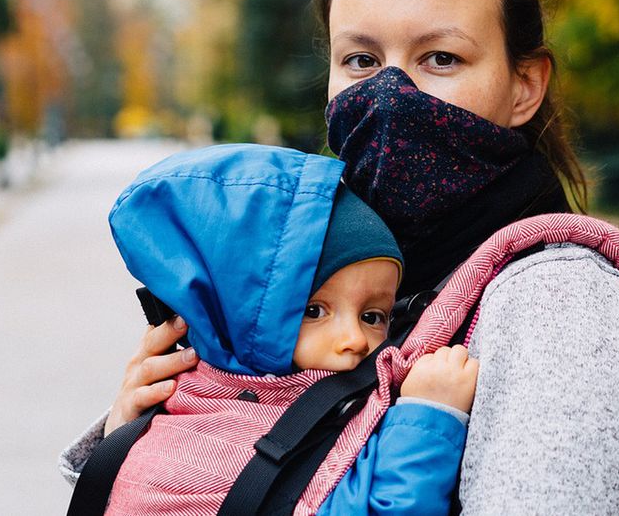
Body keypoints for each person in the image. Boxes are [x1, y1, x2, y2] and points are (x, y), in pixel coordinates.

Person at [63, 0, 619, 514]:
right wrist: (139, 434)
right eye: (361, 60)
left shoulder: (559, 302)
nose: (389, 93)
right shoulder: (316, 251)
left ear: (524, 87)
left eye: (441, 58)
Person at [93, 143, 479, 514]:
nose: (355, 340)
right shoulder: (191, 449)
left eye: (372, 316)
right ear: (237, 316)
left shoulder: (324, 395)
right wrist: (429, 416)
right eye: (313, 311)